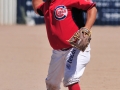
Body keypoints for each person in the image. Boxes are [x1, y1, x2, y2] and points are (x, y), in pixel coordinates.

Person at [32, 0, 97, 90]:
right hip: (58, 51)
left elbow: (91, 8)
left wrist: (86, 29)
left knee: (71, 79)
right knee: (51, 83)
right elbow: (37, 7)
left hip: (77, 44)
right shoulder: (47, 5)